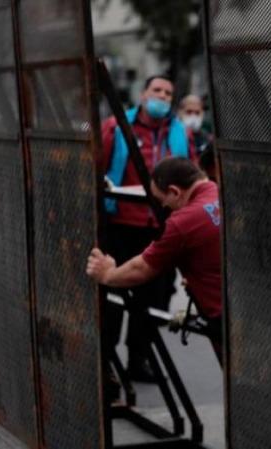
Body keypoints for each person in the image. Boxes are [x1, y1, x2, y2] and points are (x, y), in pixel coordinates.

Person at [101, 74, 196, 382]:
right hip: (121, 225)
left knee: (154, 298)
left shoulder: (179, 133)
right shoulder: (116, 128)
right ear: (143, 94)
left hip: (162, 227)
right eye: (157, 90)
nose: (162, 97)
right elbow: (97, 167)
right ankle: (107, 362)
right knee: (113, 295)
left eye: (168, 93)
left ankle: (139, 359)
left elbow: (193, 176)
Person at [88, 158, 223, 362]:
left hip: (221, 314)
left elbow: (142, 268)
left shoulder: (182, 222)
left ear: (175, 192)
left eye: (162, 201)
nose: (164, 206)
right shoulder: (218, 191)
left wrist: (107, 274)